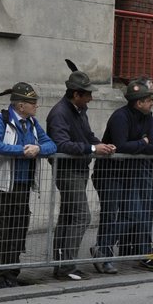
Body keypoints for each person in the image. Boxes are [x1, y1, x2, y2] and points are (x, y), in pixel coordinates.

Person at [0, 82, 56, 287]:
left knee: (17, 229)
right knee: (0, 231)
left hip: (23, 185)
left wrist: (38, 148)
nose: (36, 106)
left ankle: (12, 273)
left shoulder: (32, 123)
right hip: (2, 185)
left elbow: (51, 144)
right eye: (33, 103)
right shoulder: (1, 120)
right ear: (20, 105)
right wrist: (23, 150)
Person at [46, 67, 113, 281]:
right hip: (68, 172)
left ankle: (63, 265)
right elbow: (61, 144)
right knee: (82, 216)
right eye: (88, 94)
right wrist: (93, 149)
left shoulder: (78, 111)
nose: (91, 98)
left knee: (69, 217)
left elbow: (87, 135)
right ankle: (66, 266)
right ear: (76, 94)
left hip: (78, 170)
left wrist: (100, 144)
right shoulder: (60, 113)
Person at [91, 78, 153, 272]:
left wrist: (141, 144)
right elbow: (121, 146)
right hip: (109, 174)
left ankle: (101, 248)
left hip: (129, 174)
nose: (152, 102)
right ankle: (104, 257)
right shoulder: (120, 117)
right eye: (149, 99)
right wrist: (142, 143)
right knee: (110, 214)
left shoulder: (147, 116)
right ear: (139, 102)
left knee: (134, 214)